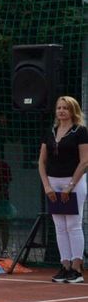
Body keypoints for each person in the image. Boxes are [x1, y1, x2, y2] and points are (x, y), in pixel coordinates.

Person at [38, 95, 88, 283]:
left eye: (65, 108)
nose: (61, 111)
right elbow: (42, 162)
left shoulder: (80, 131)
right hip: (53, 182)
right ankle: (64, 265)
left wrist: (70, 186)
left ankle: (76, 268)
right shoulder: (50, 131)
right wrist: (47, 186)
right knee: (60, 226)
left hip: (74, 181)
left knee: (73, 225)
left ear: (72, 111)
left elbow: (85, 161)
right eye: (59, 108)